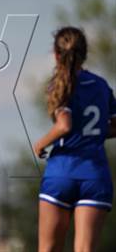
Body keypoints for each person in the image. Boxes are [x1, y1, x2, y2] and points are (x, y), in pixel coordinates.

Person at [33, 27, 116, 252]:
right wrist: (93, 133)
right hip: (95, 176)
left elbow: (64, 125)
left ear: (56, 54)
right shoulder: (101, 85)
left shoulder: (59, 84)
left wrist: (41, 144)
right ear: (85, 53)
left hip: (62, 172)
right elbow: (113, 127)